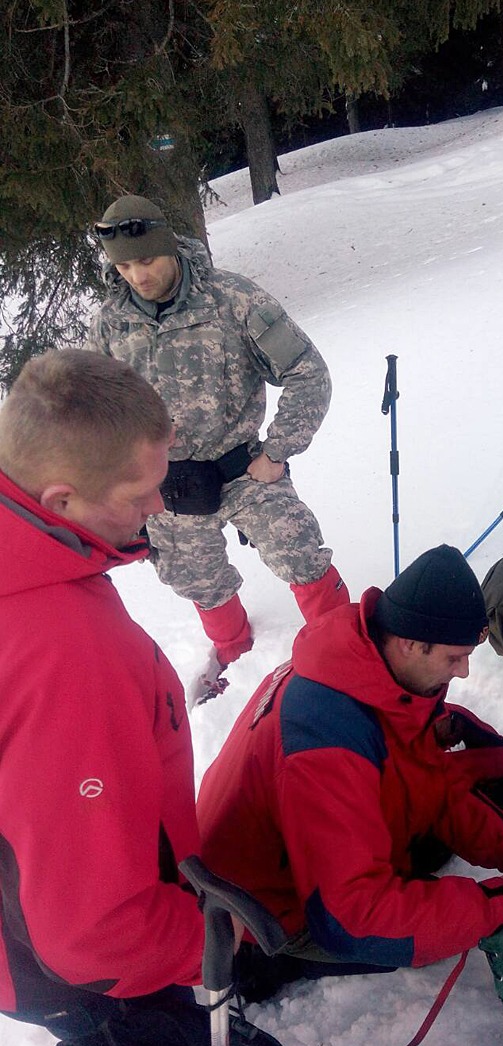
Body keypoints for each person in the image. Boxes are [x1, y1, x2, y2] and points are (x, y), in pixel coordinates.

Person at [197, 544, 503, 1000]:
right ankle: (271, 959)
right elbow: (352, 918)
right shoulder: (326, 740)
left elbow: (430, 781)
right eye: (454, 658)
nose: (465, 672)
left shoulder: (369, 666)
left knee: (434, 893)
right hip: (267, 905)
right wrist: (502, 903)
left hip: (303, 849)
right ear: (412, 643)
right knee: (420, 935)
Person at [0, 348, 206, 1046]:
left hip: (34, 919)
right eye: (140, 492)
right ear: (60, 501)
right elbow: (92, 934)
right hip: (90, 972)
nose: (158, 506)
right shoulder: (65, 654)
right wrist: (208, 936)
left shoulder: (32, 559)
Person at [87, 194, 348, 693]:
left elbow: (307, 373)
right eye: (123, 266)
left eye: (146, 260)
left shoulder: (233, 299)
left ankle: (342, 643)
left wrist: (278, 450)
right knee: (197, 579)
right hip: (168, 486)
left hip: (244, 468)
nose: (137, 276)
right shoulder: (110, 324)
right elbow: (99, 411)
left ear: (170, 248)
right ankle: (236, 659)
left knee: (299, 548)